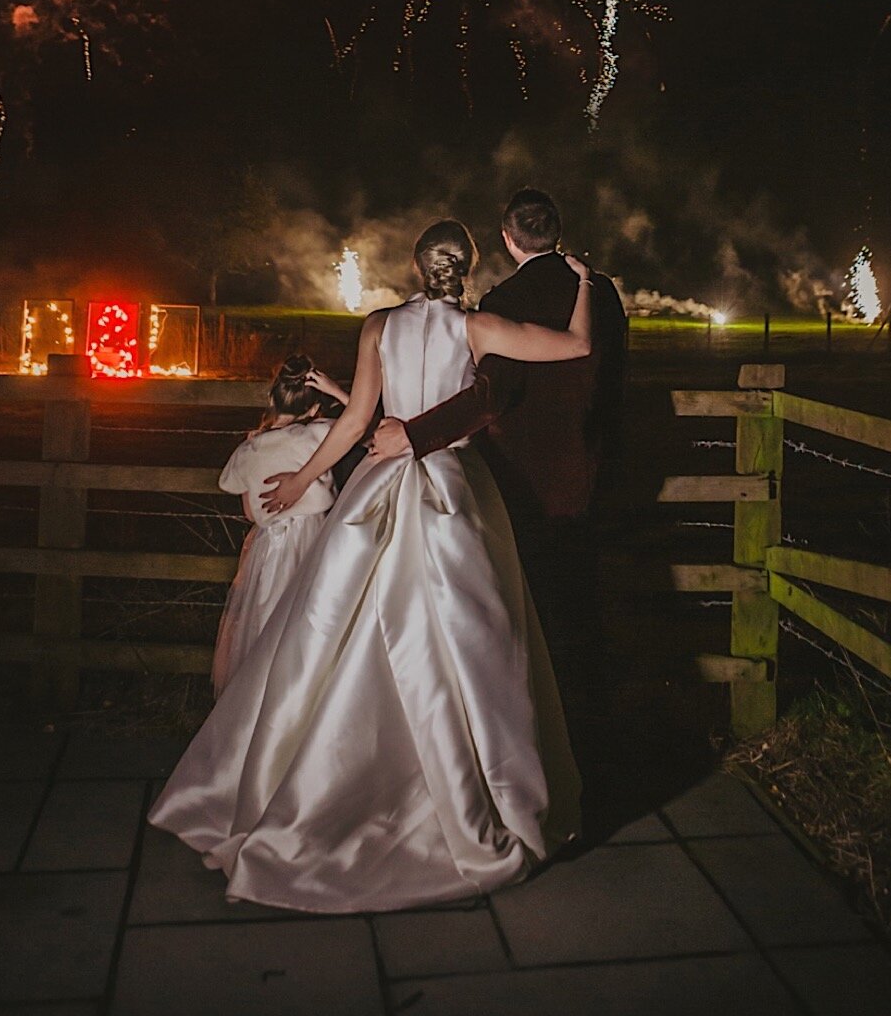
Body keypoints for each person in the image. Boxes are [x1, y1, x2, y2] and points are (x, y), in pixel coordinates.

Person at [147, 221, 592, 914]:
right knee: (464, 640)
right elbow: (577, 344)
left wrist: (299, 481)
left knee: (337, 629)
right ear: (465, 268)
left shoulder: (379, 325)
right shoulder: (480, 328)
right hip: (448, 487)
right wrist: (587, 285)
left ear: (416, 267)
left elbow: (355, 423)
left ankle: (310, 790)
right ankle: (460, 794)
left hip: (381, 484)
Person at [366, 187, 627, 759]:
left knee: (520, 620)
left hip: (521, 481)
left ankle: (528, 746)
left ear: (508, 240)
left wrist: (412, 435)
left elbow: (489, 397)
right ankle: (591, 744)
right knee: (584, 610)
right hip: (589, 469)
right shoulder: (602, 290)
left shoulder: (501, 302)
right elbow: (608, 373)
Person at [207, 353, 350, 696]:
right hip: (317, 541)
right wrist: (340, 393)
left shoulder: (249, 449)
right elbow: (364, 425)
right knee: (316, 623)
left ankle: (262, 702)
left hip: (269, 549)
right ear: (315, 409)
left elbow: (250, 514)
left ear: (272, 399)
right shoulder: (320, 434)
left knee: (265, 624)